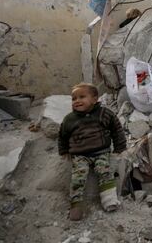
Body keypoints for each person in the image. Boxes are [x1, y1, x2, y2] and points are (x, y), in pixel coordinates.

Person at [58, 83, 127, 221]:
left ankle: (109, 200)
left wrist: (120, 147)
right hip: (80, 155)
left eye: (82, 97)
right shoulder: (70, 119)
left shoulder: (104, 114)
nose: (77, 101)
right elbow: (62, 135)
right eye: (74, 98)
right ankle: (76, 205)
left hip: (101, 152)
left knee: (104, 171)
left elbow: (116, 129)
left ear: (94, 99)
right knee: (78, 177)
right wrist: (64, 151)